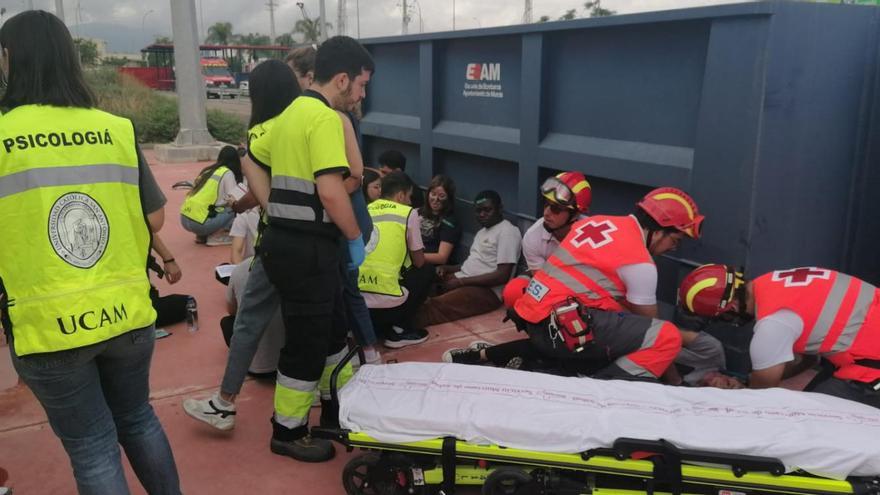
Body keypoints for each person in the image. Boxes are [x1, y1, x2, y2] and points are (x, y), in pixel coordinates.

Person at [0, 10, 180, 494]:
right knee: (138, 419)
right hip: (127, 313)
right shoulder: (116, 129)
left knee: (93, 446)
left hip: (49, 326)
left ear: (9, 60)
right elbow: (155, 219)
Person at [259, 36, 373, 462]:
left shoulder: (289, 113)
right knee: (307, 342)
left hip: (286, 242)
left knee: (330, 331)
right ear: (341, 79)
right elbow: (329, 190)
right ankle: (287, 432)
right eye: (360, 85)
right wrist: (353, 237)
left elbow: (254, 154)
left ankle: (337, 404)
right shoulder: (324, 119)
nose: (361, 95)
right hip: (308, 248)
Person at [182, 59, 300, 431]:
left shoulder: (260, 135)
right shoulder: (306, 126)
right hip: (314, 241)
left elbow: (262, 195)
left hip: (275, 241)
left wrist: (240, 203)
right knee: (317, 321)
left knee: (247, 322)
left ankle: (225, 403)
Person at [678, 264, 880, 407]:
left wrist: (745, 389)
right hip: (864, 347)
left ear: (730, 307)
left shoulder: (773, 324)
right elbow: (809, 359)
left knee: (816, 417)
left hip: (871, 364)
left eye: (724, 318)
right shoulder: (773, 283)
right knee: (811, 399)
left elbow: (761, 401)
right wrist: (755, 380)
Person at [514, 187, 705, 321]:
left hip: (536, 309)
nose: (672, 249)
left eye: (555, 208)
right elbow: (649, 324)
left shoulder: (593, 222)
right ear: (658, 232)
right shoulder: (641, 262)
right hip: (561, 321)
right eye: (675, 241)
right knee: (665, 337)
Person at [414, 190, 522, 328]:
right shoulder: (482, 232)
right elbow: (471, 264)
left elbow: (502, 275)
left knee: (434, 307)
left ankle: (403, 328)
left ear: (499, 208)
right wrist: (447, 269)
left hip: (486, 291)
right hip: (463, 279)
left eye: (487, 210)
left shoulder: (507, 232)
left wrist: (461, 282)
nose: (482, 214)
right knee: (418, 286)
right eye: (478, 211)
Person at [360, 172, 428, 347]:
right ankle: (400, 330)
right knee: (426, 271)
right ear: (400, 195)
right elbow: (419, 261)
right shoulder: (407, 213)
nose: (410, 202)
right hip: (388, 307)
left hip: (358, 305)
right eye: (409, 196)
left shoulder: (365, 208)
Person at [179, 145, 244, 245]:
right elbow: (234, 199)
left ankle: (201, 236)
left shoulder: (208, 170)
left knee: (214, 207)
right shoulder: (227, 173)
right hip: (200, 223)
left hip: (184, 218)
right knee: (235, 208)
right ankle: (217, 237)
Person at [419, 175, 461, 266]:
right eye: (433, 194)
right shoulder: (418, 212)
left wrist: (414, 257)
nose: (435, 199)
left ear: (449, 198)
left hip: (427, 265)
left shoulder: (450, 221)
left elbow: (442, 257)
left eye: (441, 196)